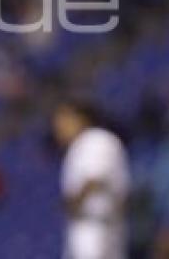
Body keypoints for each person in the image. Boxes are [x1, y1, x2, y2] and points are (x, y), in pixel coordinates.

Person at [52, 97, 130, 259]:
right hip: (97, 226)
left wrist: (73, 203)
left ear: (79, 118)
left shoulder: (95, 139)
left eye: (63, 119)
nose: (58, 126)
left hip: (95, 226)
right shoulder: (83, 144)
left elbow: (94, 178)